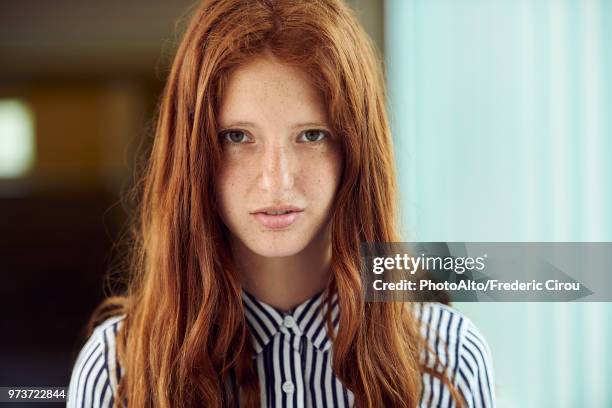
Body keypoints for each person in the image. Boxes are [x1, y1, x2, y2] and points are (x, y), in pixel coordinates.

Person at [67, 0, 495, 407]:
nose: (276, 181)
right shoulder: (117, 371)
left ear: (356, 151)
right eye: (237, 137)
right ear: (194, 156)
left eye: (311, 135)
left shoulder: (447, 360)